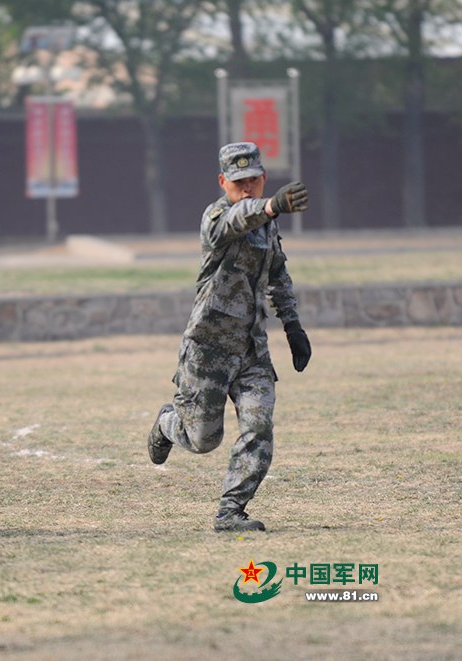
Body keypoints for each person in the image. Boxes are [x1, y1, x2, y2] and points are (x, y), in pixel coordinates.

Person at [147, 141, 312, 533]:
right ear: (223, 182)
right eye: (239, 182)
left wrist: (293, 327)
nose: (247, 188)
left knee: (259, 426)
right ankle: (168, 424)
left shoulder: (268, 224)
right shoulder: (216, 216)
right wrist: (270, 206)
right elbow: (236, 221)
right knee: (203, 439)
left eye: (254, 180)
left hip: (252, 350)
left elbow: (278, 276)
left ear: (263, 178)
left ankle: (231, 510)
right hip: (208, 350)